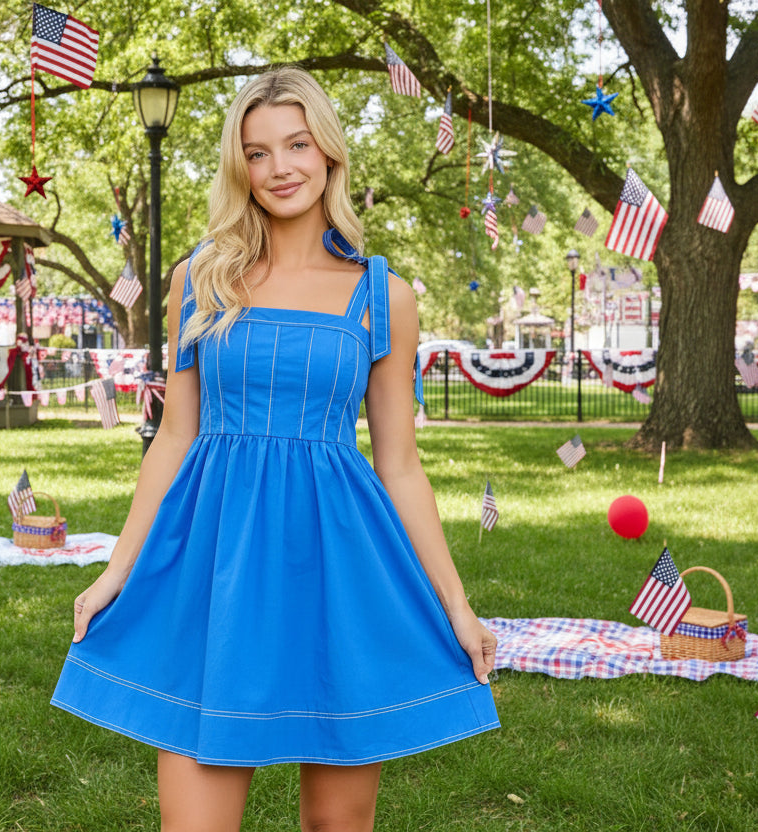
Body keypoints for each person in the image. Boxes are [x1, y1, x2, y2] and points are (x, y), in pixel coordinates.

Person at [51, 67, 499, 832]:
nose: (280, 167)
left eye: (297, 144)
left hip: (338, 566)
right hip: (214, 563)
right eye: (257, 153)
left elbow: (398, 464)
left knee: (336, 826)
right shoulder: (200, 277)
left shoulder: (382, 293)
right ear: (239, 167)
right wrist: (116, 569)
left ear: (329, 153)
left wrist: (457, 604)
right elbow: (175, 435)